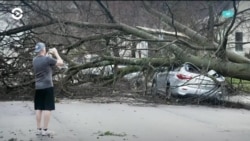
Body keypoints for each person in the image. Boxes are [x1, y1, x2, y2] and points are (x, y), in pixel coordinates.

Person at [32, 42, 64, 136]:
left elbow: (44, 61)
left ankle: (38, 129)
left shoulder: (34, 60)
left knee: (39, 108)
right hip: (47, 86)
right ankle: (45, 130)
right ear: (43, 49)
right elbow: (61, 63)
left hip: (38, 87)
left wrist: (48, 55)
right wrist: (56, 53)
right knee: (47, 108)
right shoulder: (47, 59)